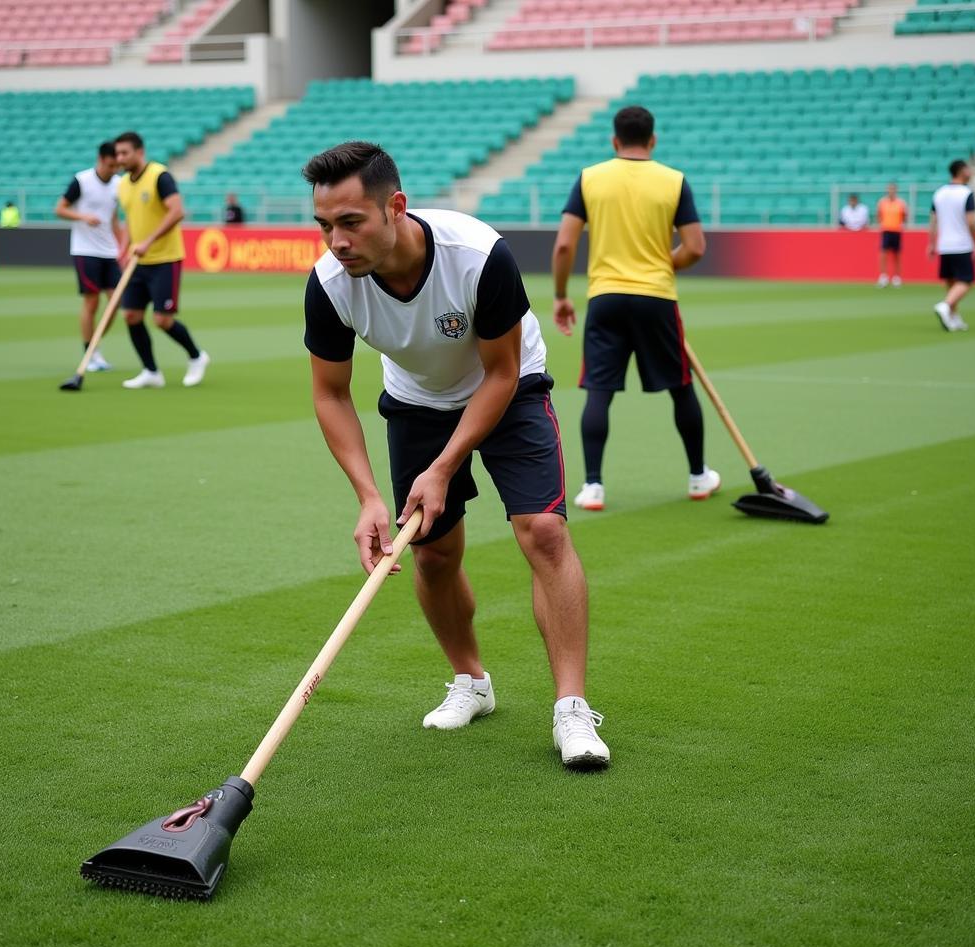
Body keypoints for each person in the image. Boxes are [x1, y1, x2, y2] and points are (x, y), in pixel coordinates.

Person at [303, 141, 609, 769]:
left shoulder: (477, 256)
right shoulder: (331, 284)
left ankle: (572, 709)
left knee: (544, 531)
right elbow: (331, 394)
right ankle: (472, 681)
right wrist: (368, 497)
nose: (336, 241)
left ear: (395, 207)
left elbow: (500, 374)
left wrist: (444, 467)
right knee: (435, 552)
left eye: (351, 222)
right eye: (325, 225)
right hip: (415, 401)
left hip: (511, 387)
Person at [551, 105, 718, 513]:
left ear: (614, 140)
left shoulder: (591, 178)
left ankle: (593, 486)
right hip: (657, 297)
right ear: (653, 139)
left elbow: (564, 245)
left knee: (599, 390)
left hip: (606, 297)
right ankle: (698, 477)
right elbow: (695, 247)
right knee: (681, 388)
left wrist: (560, 296)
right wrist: (665, 263)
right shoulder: (674, 181)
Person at [113, 131, 210, 388]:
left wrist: (148, 241)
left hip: (165, 259)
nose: (120, 158)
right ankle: (151, 372)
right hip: (138, 262)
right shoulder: (122, 185)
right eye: (118, 154)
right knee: (131, 316)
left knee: (162, 320)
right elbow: (129, 221)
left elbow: (177, 211)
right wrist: (124, 248)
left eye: (125, 153)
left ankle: (197, 356)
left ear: (139, 152)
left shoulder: (159, 176)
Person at [54, 140, 122, 372]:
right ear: (101, 159)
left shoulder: (118, 184)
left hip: (109, 250)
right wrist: (84, 217)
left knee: (116, 301)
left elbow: (114, 217)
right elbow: (60, 209)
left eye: (117, 166)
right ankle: (89, 353)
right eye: (111, 165)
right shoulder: (82, 180)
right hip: (85, 250)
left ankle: (95, 345)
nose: (114, 170)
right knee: (91, 302)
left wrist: (121, 244)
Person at [929, 159, 975, 332]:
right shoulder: (966, 193)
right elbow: (971, 221)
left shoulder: (939, 193)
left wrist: (931, 243)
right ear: (961, 170)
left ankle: (953, 317)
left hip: (944, 245)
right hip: (962, 244)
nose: (970, 172)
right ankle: (946, 305)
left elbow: (933, 220)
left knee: (951, 282)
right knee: (966, 280)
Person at [876, 182, 907, 287]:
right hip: (886, 230)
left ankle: (897, 277)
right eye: (889, 189)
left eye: (893, 189)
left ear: (896, 190)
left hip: (897, 231)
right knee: (883, 254)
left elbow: (904, 216)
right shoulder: (882, 202)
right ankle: (883, 276)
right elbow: (879, 215)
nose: (891, 191)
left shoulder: (901, 203)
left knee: (897, 254)